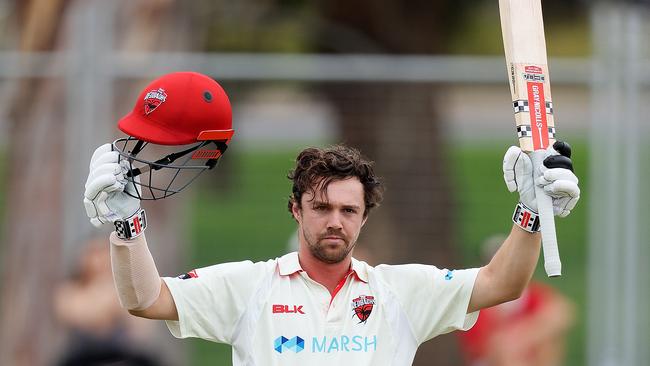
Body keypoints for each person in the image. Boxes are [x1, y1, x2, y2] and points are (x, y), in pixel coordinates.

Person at [82, 72, 580, 365]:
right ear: (297, 210)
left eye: (348, 210)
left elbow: (503, 283)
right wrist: (127, 224)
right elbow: (145, 299)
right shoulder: (250, 287)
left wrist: (531, 212)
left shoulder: (398, 292)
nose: (335, 221)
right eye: (321, 208)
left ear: (364, 219)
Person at [457, 235, 575, 366]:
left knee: (547, 344)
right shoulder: (478, 299)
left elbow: (562, 313)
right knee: (507, 346)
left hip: (527, 355)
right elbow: (487, 346)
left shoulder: (531, 292)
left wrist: (524, 335)